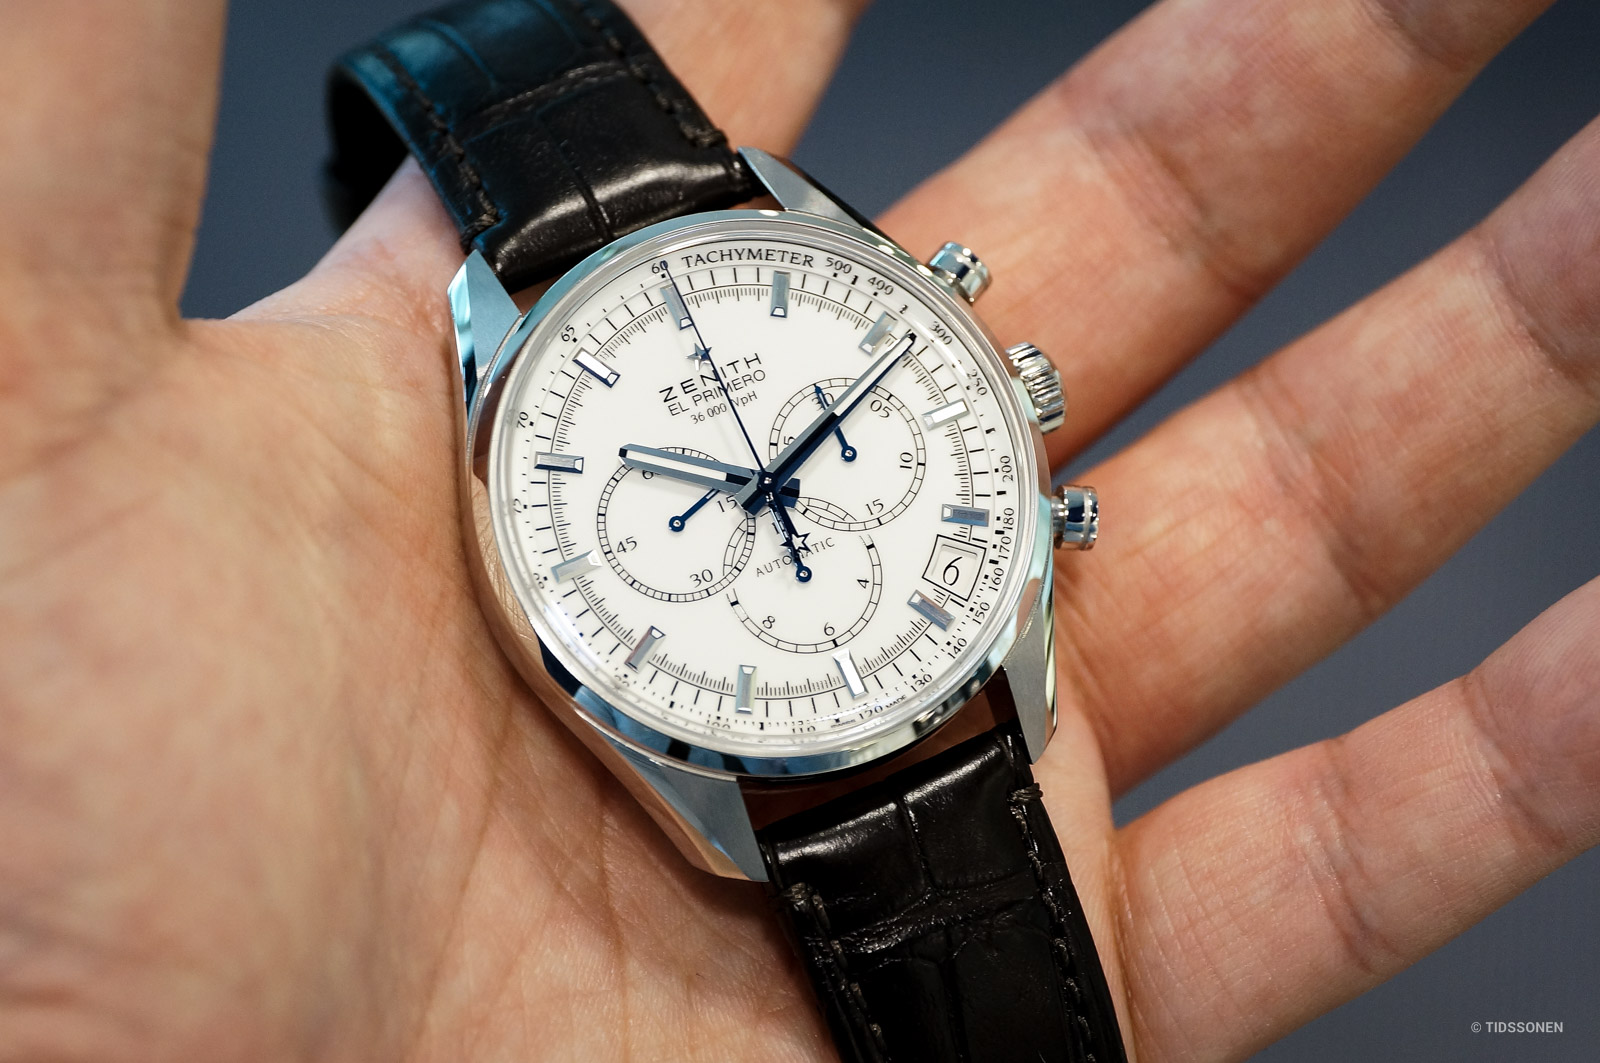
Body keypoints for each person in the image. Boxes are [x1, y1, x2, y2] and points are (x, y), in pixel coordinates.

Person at [2, 0, 1595, 1058]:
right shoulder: (513, 384)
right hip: (743, 735)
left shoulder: (839, 303)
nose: (771, 484)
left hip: (940, 664)